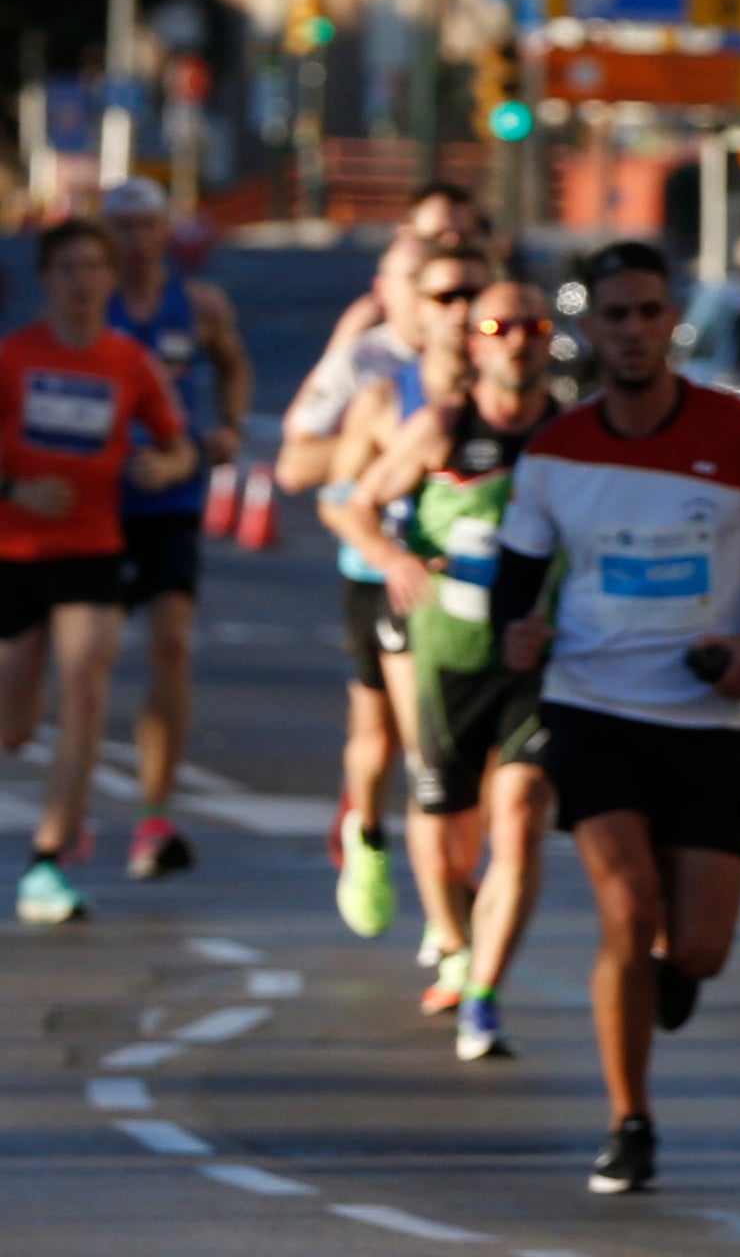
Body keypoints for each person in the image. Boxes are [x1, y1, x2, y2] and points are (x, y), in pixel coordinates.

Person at [491, 242, 740, 1194]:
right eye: (616, 316)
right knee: (626, 909)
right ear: (591, 329)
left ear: (672, 320)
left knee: (696, 948)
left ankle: (671, 972)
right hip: (592, 707)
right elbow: (516, 583)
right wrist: (516, 635)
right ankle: (628, 1119)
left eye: (649, 312)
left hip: (705, 719)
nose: (634, 331)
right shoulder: (556, 450)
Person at [330, 265, 562, 1061]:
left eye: (533, 327)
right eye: (500, 328)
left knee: (523, 816)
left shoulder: (575, 434)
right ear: (472, 344)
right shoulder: (438, 427)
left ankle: (486, 992)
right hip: (446, 656)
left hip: (537, 660)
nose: (519, 342)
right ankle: (459, 945)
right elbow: (351, 501)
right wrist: (390, 558)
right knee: (441, 819)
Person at [285, 193, 478, 944]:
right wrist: (380, 480)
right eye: (439, 280)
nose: (459, 306)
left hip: (471, 590)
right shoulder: (368, 363)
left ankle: (451, 896)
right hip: (379, 578)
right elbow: (308, 473)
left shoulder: (504, 361)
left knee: (461, 750)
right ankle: (366, 835)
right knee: (386, 737)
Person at [0, 220, 195, 923]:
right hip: (15, 551)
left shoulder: (129, 361)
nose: (83, 282)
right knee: (15, 723)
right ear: (47, 279)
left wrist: (163, 465)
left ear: (109, 280)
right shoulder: (14, 356)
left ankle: (48, 859)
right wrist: (14, 490)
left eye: (94, 268)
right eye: (69, 269)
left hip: (93, 546)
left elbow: (179, 447)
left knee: (85, 687)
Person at [95, 178, 249, 881]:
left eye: (146, 225)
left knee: (171, 641)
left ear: (166, 231)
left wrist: (227, 426)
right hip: (89, 500)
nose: (134, 240)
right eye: (121, 227)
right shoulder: (86, 300)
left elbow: (233, 364)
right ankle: (70, 792)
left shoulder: (200, 304)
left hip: (171, 495)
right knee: (79, 663)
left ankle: (154, 812)